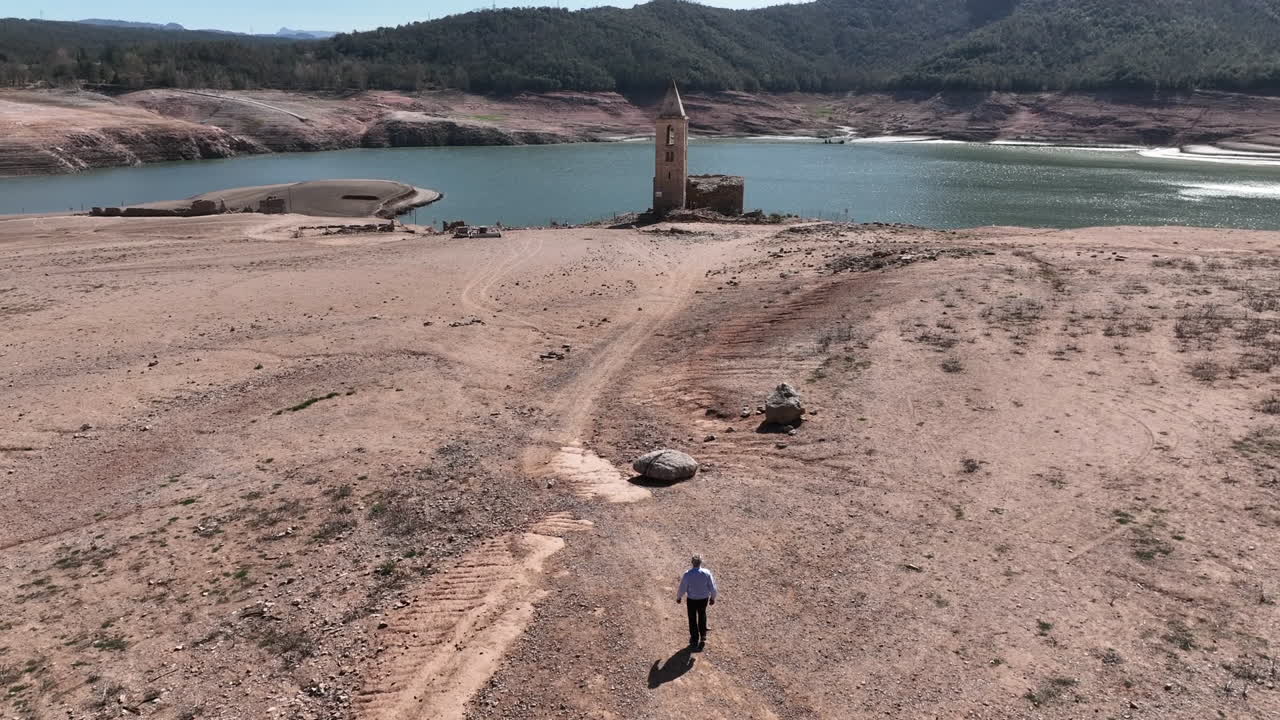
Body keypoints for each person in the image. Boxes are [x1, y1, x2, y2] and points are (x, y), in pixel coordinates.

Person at [675, 555, 718, 649]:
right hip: (703, 599)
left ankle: (694, 638)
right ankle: (703, 635)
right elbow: (712, 587)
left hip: (692, 600)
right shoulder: (706, 573)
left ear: (692, 562)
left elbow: (683, 588)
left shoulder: (687, 574)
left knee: (692, 618)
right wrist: (713, 598)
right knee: (702, 615)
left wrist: (679, 597)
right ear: (701, 562)